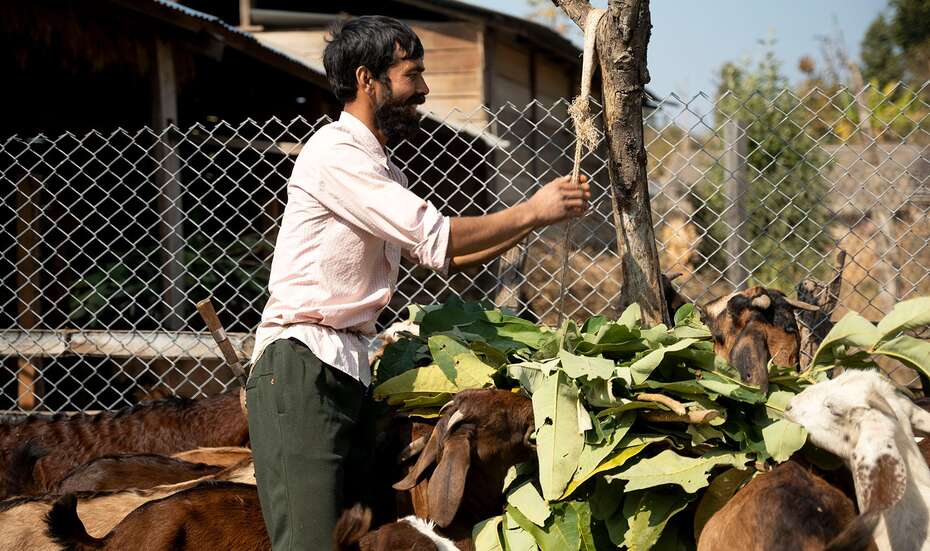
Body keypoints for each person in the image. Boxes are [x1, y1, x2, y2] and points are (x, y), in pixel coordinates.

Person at [246, 14, 590, 550]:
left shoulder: (383, 168)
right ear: (367, 79)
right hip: (302, 367)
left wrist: (536, 219)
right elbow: (439, 237)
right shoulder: (336, 154)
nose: (424, 90)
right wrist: (531, 210)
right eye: (413, 74)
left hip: (345, 369)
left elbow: (445, 256)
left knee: (360, 538)